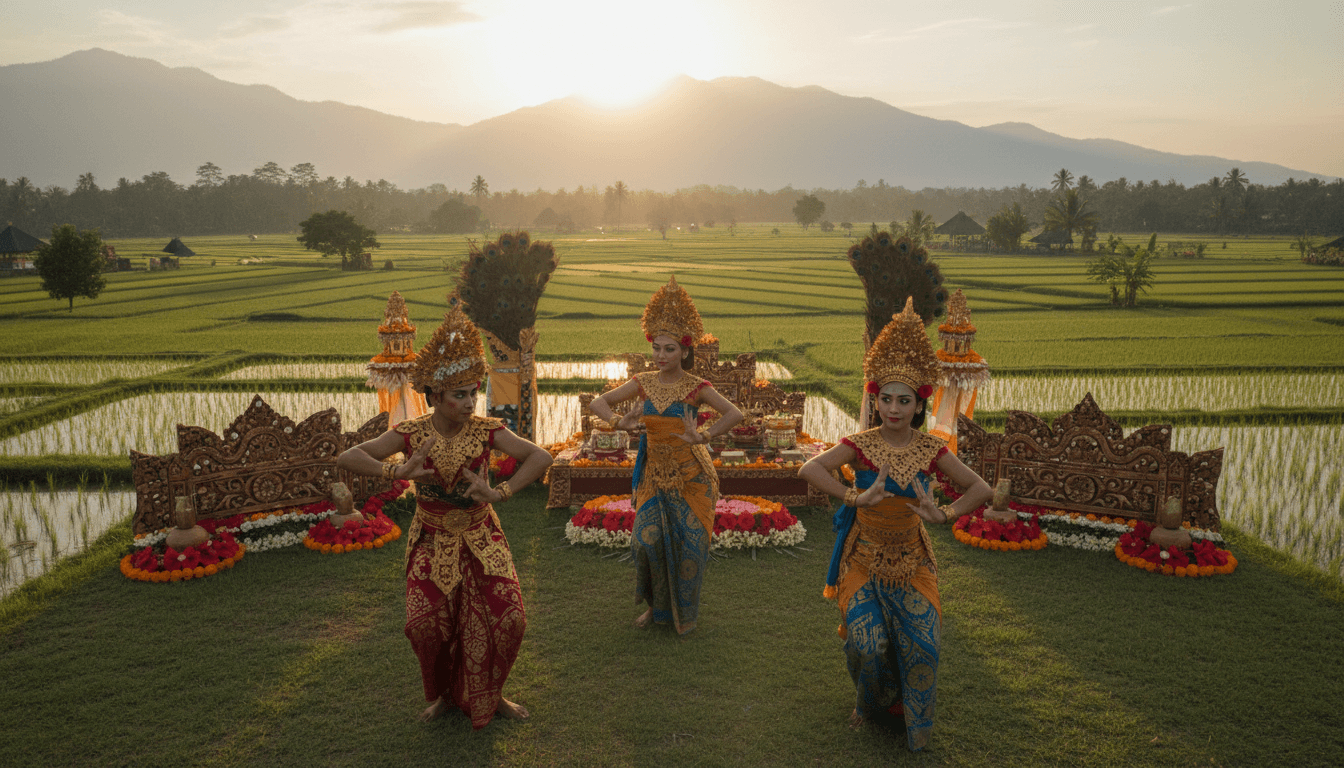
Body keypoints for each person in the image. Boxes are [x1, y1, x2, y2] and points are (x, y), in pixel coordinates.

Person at [337, 302, 552, 728]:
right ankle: (439, 695)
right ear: (435, 394)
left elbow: (539, 456)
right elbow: (349, 456)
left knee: (508, 620)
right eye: (460, 394)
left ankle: (494, 693)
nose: (471, 401)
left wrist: (500, 492)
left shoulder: (488, 429)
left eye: (474, 391)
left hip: (480, 535)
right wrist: (395, 469)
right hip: (432, 539)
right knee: (426, 628)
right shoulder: (411, 432)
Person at [798, 297, 992, 751]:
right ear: (875, 397)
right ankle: (870, 703)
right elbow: (810, 469)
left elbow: (980, 489)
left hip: (911, 561)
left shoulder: (930, 450)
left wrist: (943, 514)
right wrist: (854, 496)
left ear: (919, 403)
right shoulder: (859, 443)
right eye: (885, 398)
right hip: (863, 559)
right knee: (869, 644)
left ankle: (914, 723)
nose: (893, 408)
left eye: (903, 400)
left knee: (923, 646)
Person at [588, 276, 743, 635]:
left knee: (690, 546)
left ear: (685, 351)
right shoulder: (642, 382)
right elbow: (600, 401)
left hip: (692, 478)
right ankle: (656, 607)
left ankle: (683, 615)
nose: (661, 355)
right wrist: (617, 422)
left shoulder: (697, 388)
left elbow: (735, 414)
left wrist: (702, 435)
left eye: (669, 349)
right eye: (656, 348)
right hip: (653, 476)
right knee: (647, 541)